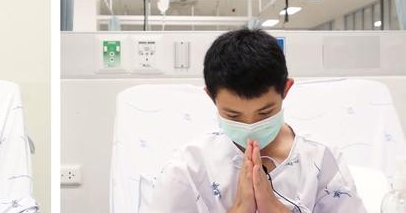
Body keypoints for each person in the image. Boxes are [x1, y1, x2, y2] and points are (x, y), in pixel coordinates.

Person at [146, 28, 366, 213]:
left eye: (265, 113)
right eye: (233, 115)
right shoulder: (188, 168)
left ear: (286, 90)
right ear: (211, 97)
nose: (250, 127)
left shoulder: (321, 160)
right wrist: (240, 208)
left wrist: (275, 208)